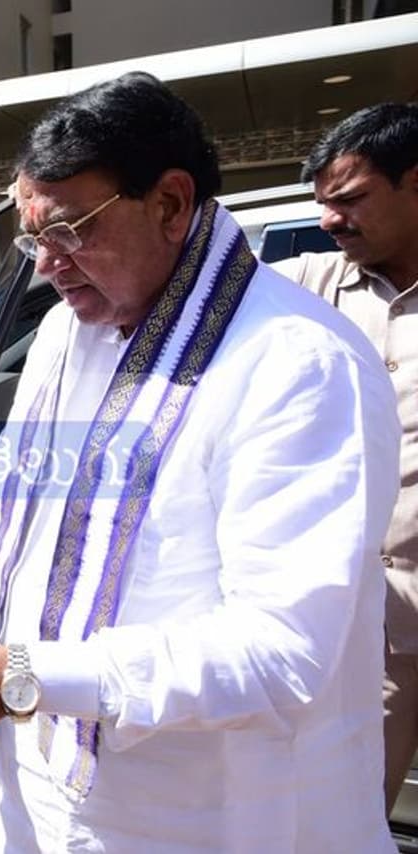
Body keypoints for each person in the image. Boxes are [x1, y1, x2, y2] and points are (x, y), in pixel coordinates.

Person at [0, 72, 401, 852]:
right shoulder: (65, 332)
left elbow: (280, 651)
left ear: (171, 204)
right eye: (32, 238)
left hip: (202, 815)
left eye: (69, 231)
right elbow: (8, 501)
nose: (46, 265)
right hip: (29, 791)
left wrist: (13, 676)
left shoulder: (298, 363)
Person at [272, 102, 418, 813]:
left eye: (350, 199)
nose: (330, 220)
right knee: (347, 819)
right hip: (368, 635)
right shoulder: (304, 290)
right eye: (323, 204)